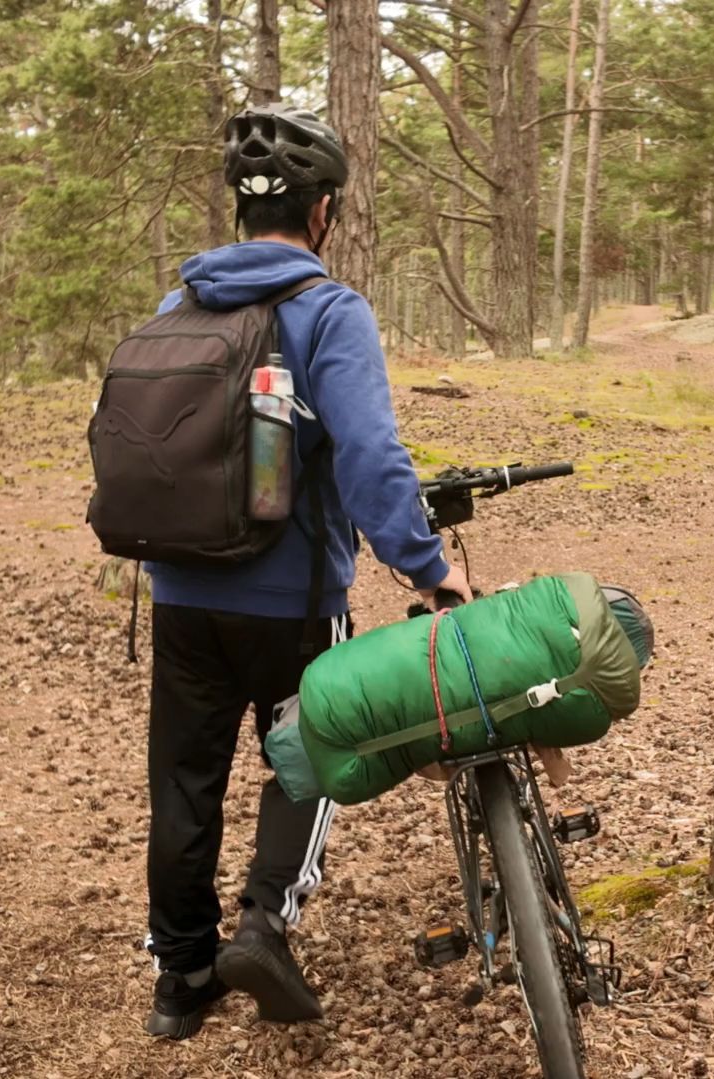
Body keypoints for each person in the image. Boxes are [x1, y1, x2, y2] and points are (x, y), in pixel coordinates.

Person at [140, 103, 472, 1040]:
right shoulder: (329, 310)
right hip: (290, 600)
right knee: (306, 756)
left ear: (246, 213)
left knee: (184, 778)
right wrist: (427, 567)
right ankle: (263, 924)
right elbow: (370, 453)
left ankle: (180, 981)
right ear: (321, 211)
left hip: (181, 592)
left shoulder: (178, 307)